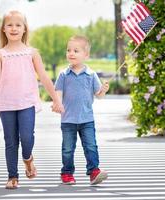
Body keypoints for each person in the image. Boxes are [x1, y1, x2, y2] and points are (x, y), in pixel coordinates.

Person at [0, 10, 64, 189]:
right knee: (10, 140)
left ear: (24, 29)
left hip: (27, 102)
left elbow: (44, 77)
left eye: (18, 25)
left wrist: (56, 99)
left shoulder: (32, 53)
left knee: (27, 137)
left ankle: (28, 158)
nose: (13, 28)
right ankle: (12, 176)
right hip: (6, 103)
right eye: (9, 25)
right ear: (3, 29)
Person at [55, 35, 109, 185]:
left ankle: (93, 171)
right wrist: (57, 103)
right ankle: (66, 172)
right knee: (67, 148)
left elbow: (98, 95)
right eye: (68, 50)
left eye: (76, 51)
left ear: (86, 55)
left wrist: (103, 90)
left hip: (87, 119)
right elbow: (58, 92)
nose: (71, 53)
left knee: (91, 146)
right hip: (68, 120)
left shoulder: (91, 75)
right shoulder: (63, 75)